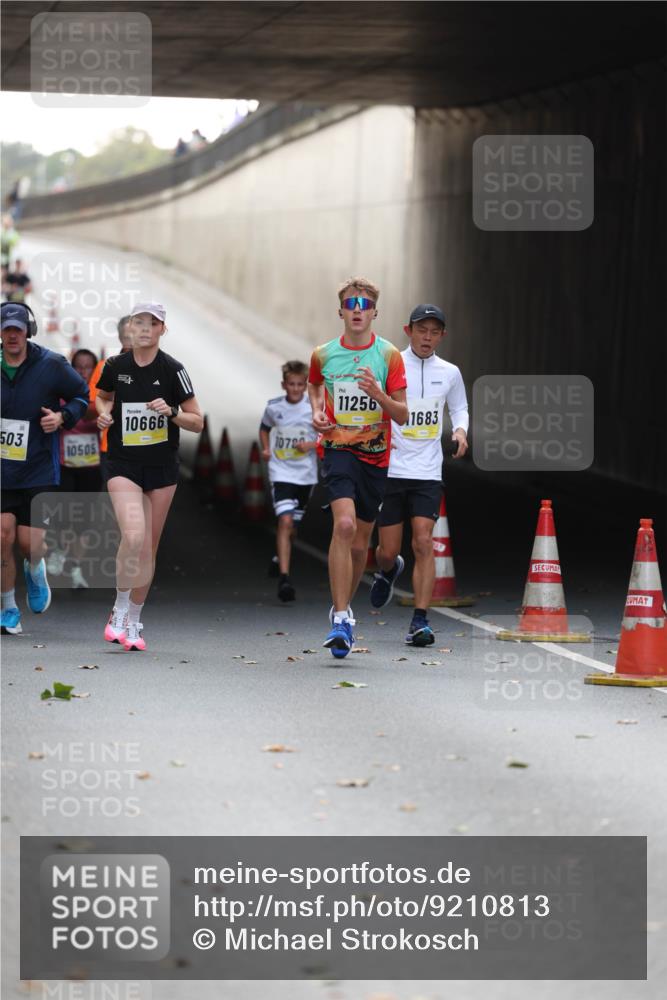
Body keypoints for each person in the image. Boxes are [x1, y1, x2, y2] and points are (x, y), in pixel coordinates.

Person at [308, 277, 408, 658]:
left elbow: (402, 413)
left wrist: (378, 394)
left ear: (374, 313)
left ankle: (345, 613)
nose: (357, 311)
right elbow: (315, 386)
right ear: (341, 311)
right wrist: (317, 412)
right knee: (345, 525)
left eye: (364, 305)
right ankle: (340, 618)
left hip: (376, 456)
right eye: (351, 304)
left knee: (360, 544)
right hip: (337, 449)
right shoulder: (323, 354)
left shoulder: (388, 356)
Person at [95, 302, 203, 651]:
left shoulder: (173, 370)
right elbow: (102, 397)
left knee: (148, 547)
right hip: (123, 464)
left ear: (162, 330)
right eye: (138, 322)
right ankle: (119, 608)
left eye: (152, 323)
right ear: (130, 328)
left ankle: (134, 619)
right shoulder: (115, 366)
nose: (144, 328)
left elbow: (197, 422)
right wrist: (104, 414)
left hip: (162, 468)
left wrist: (171, 412)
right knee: (134, 535)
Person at [370, 304, 469, 646]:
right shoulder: (390, 364)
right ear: (408, 331)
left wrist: (461, 431)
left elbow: (459, 407)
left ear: (442, 336)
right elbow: (373, 405)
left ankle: (420, 621)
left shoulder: (450, 372)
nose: (427, 337)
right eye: (421, 330)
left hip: (427, 470)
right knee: (387, 551)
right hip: (391, 468)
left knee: (424, 542)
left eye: (434, 332)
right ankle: (388, 569)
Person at [0, 302, 89, 635]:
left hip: (38, 468)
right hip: (2, 470)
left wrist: (63, 417)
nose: (12, 336)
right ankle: (8, 608)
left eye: (18, 330)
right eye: (7, 330)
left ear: (29, 332)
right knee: (2, 536)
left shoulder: (51, 364)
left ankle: (35, 567)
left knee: (31, 544)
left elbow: (81, 395)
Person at [259, 361, 319, 602]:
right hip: (281, 472)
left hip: (305, 475)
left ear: (305, 386)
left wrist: (310, 445)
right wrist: (266, 448)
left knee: (292, 526)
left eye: (300, 385)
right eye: (291, 384)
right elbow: (264, 428)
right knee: (284, 521)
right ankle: (285, 578)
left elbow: (329, 436)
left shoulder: (313, 408)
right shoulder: (274, 407)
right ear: (284, 385)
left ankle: (279, 556)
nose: (295, 389)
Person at [54, 348, 103, 589]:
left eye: (88, 368)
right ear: (71, 369)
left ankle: (75, 568)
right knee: (64, 515)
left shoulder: (102, 398)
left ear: (95, 370)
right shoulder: (61, 395)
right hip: (65, 465)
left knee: (83, 521)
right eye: (79, 367)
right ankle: (60, 550)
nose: (83, 372)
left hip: (91, 467)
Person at [88, 315, 132, 476]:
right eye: (128, 337)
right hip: (112, 448)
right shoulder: (105, 367)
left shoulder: (158, 367)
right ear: (120, 338)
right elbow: (90, 409)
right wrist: (105, 410)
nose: (133, 341)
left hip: (146, 449)